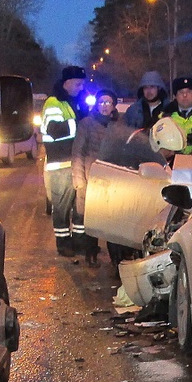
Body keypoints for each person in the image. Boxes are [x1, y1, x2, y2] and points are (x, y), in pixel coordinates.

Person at [70, 88, 121, 268]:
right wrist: (79, 180)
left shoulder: (119, 124)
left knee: (113, 221)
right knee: (91, 219)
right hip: (91, 177)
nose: (104, 106)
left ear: (114, 105)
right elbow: (78, 153)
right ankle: (90, 253)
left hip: (114, 179)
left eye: (108, 102)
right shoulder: (87, 124)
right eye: (101, 102)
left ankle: (116, 259)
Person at [41, 65, 89, 257]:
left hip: (77, 163)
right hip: (60, 164)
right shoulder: (54, 103)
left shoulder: (76, 102)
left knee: (80, 206)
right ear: (67, 82)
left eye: (82, 84)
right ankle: (63, 243)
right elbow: (54, 129)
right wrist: (80, 124)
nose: (80, 87)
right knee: (61, 207)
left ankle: (79, 242)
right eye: (78, 83)